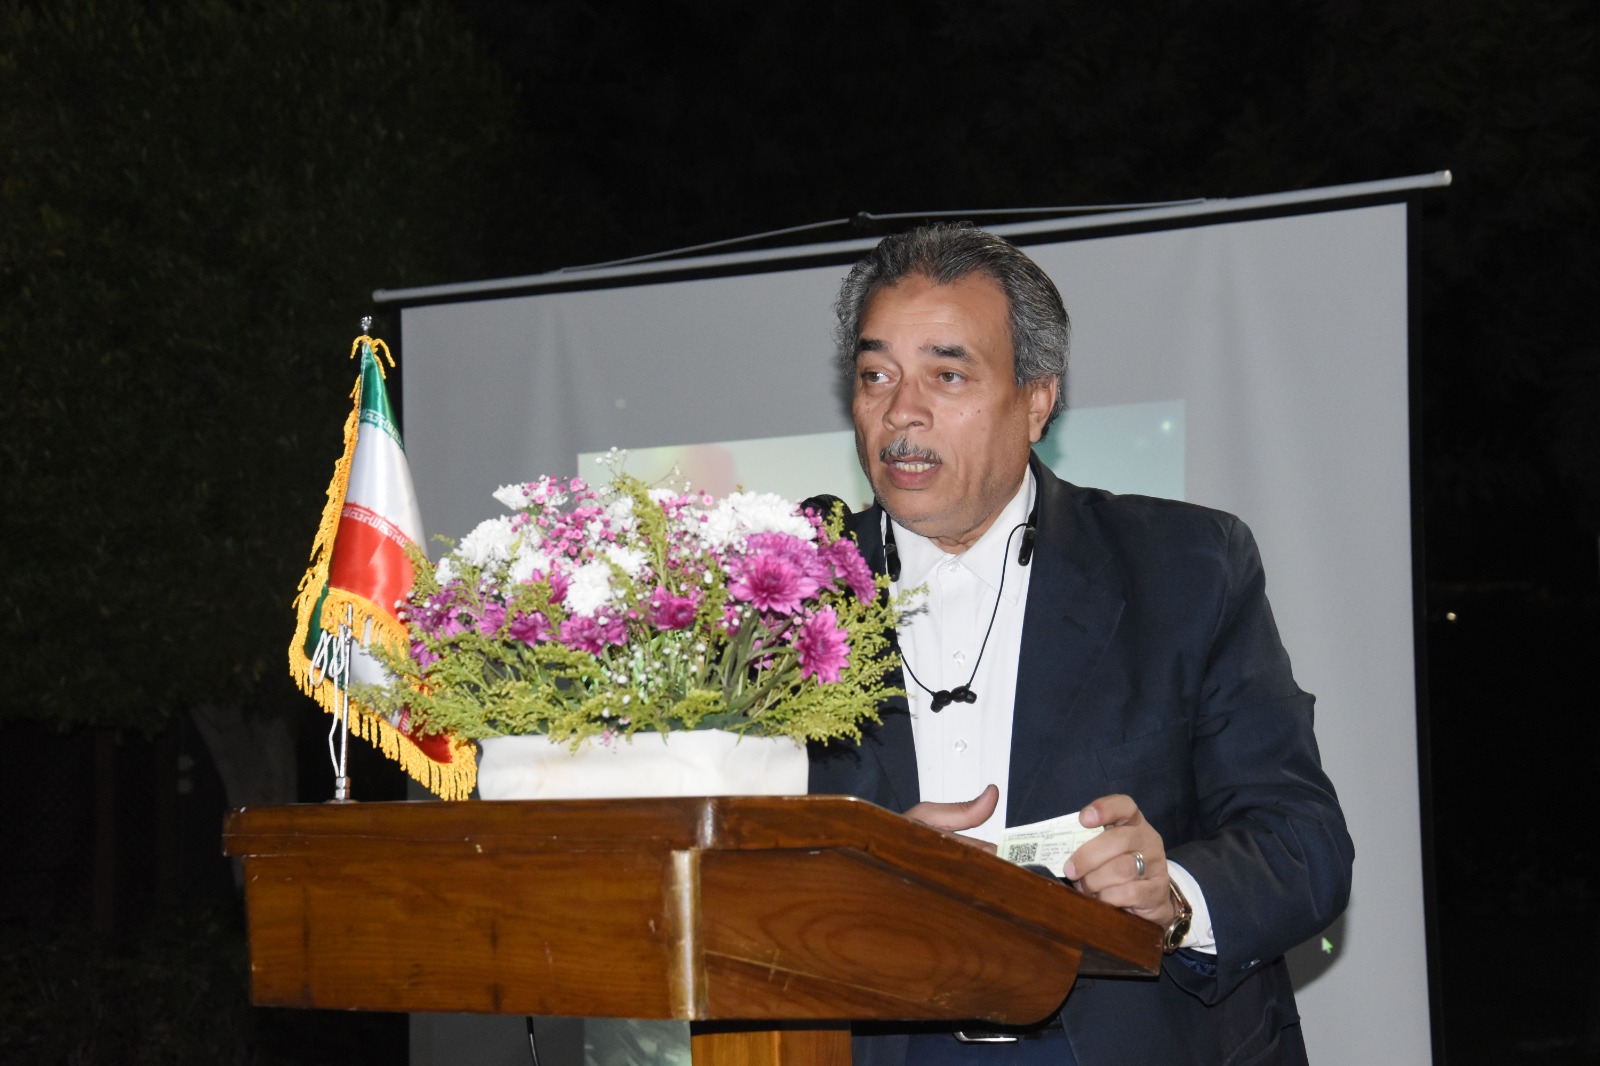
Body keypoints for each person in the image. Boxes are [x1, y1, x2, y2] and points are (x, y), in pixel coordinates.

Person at [808, 223, 1353, 1065]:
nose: (901, 412)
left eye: (947, 375)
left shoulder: (1184, 567)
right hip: (874, 1042)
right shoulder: (781, 589)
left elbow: (1303, 842)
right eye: (876, 375)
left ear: (1036, 400)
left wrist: (1171, 895)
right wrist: (873, 874)